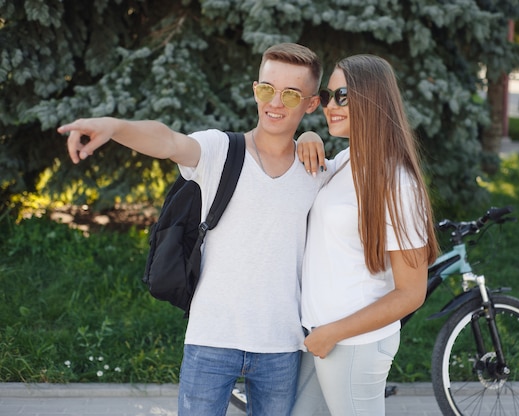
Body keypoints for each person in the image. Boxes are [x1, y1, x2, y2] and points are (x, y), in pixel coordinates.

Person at [58, 43, 327, 416]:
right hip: (211, 338)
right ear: (255, 89)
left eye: (291, 94)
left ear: (311, 104)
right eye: (267, 89)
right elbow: (167, 139)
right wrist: (113, 126)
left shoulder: (317, 172)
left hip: (281, 345)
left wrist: (312, 138)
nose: (275, 102)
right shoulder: (221, 150)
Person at [292, 54, 439, 415]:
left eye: (342, 96)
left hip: (351, 345)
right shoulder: (345, 161)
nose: (330, 106)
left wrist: (333, 333)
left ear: (373, 99)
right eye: (327, 97)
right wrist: (307, 135)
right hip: (322, 337)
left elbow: (411, 292)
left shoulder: (397, 183)